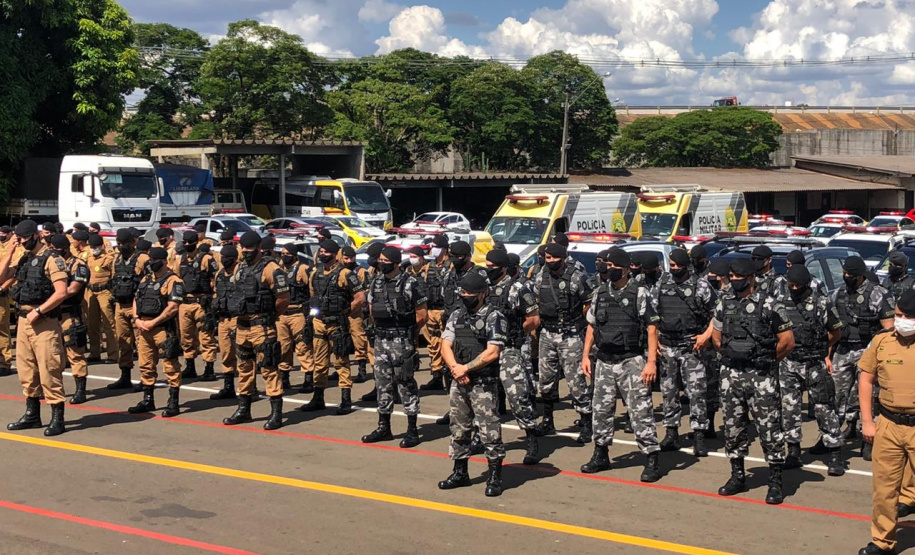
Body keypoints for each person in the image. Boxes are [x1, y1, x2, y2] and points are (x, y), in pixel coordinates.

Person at [712, 258, 794, 504]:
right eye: (732, 277)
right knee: (733, 427)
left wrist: (767, 360)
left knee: (769, 429)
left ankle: (775, 481)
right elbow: (716, 335)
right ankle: (737, 475)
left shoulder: (770, 305)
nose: (734, 281)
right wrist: (728, 355)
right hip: (732, 375)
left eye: (738, 278)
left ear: (750, 279)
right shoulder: (724, 303)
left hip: (761, 376)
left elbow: (787, 341)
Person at [580, 247, 662, 482]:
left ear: (626, 270)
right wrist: (586, 356)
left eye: (613, 267)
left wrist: (651, 362)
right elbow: (591, 326)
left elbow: (652, 328)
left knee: (640, 411)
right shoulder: (600, 293)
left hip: (631, 361)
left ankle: (651, 457)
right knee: (602, 411)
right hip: (604, 361)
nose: (608, 270)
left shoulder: (640, 293)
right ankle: (601, 453)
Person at [438, 272, 508, 497]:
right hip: (459, 381)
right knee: (459, 428)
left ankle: (495, 476)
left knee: (489, 430)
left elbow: (492, 352)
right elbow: (445, 344)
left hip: (483, 383)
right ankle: (460, 472)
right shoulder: (457, 315)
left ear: (482, 293)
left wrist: (465, 368)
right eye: (463, 293)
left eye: (470, 294)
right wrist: (455, 369)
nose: (466, 297)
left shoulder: (494, 316)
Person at [858, 290, 915, 555]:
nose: (900, 321)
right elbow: (866, 379)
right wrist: (867, 422)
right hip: (889, 424)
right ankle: (882, 541)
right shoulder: (882, 341)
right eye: (898, 315)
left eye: (906, 316)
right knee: (884, 489)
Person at [0, 220, 70, 435]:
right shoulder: (23, 257)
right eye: (18, 239)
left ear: (35, 236)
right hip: (23, 320)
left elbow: (61, 292)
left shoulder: (52, 259)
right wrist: (11, 249)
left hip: (44, 322)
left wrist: (38, 312)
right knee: (26, 370)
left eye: (23, 239)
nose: (20, 242)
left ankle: (57, 417)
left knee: (49, 369)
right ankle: (32, 415)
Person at [780, 264, 846, 475]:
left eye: (797, 285)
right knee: (789, 408)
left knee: (823, 407)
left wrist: (822, 349)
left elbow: (836, 332)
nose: (794, 288)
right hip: (789, 363)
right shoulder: (781, 303)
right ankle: (793, 451)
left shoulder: (821, 303)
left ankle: (834, 453)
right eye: (791, 285)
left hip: (813, 363)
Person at [222, 231, 290, 429]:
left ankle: (276, 412)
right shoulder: (241, 268)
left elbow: (283, 298)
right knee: (244, 368)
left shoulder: (271, 269)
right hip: (242, 325)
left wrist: (271, 315)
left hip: (262, 326)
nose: (245, 252)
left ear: (259, 248)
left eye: (249, 248)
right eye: (243, 248)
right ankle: (244, 409)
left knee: (268, 367)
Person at [362, 246, 427, 447]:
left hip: (402, 341)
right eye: (380, 259)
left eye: (385, 260)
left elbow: (421, 315)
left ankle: (412, 430)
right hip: (381, 340)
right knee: (382, 384)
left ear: (396, 262)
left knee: (405, 384)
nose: (381, 263)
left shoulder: (411, 283)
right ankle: (384, 427)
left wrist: (409, 335)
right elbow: (372, 309)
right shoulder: (376, 282)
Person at [654, 248, 716, 457]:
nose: (675, 270)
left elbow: (717, 314)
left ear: (686, 265)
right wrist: (653, 343)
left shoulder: (701, 285)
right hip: (667, 346)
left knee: (697, 393)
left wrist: (705, 336)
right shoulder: (662, 284)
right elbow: (650, 315)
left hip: (691, 347)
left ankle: (699, 435)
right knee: (669, 392)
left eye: (678, 266)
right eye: (672, 266)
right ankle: (671, 432)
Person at [832, 256, 895, 459]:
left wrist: (879, 354)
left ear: (860, 275)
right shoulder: (839, 293)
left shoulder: (878, 294)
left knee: (869, 398)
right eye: (845, 274)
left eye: (851, 275)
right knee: (836, 396)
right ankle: (832, 438)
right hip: (842, 352)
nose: (847, 277)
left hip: (868, 352)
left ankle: (868, 441)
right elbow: (830, 326)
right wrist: (827, 354)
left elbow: (889, 329)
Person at [485, 249, 541, 465]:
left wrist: (515, 334)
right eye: (487, 266)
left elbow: (533, 319)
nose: (489, 270)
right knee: (485, 397)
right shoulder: (484, 288)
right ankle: (484, 438)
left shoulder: (518, 289)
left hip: (509, 349)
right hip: (487, 349)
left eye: (492, 267)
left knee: (517, 395)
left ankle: (531, 438)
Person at [535, 242, 594, 443]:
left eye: (554, 258)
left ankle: (587, 422)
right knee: (545, 380)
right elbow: (537, 300)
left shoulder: (577, 277)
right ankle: (548, 419)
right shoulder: (540, 276)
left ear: (563, 258)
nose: (549, 261)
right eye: (547, 258)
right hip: (547, 334)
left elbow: (589, 304)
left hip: (570, 336)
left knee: (575, 381)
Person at [302, 239, 365, 415]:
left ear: (335, 254)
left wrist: (345, 312)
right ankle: (318, 397)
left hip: (337, 324)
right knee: (319, 362)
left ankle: (346, 399)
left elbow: (360, 298)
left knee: (341, 361)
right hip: (319, 322)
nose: (323, 254)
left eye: (326, 252)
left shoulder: (346, 274)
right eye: (321, 251)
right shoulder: (316, 273)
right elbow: (313, 295)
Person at [435, 240, 488, 426]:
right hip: (453, 324)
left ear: (467, 256)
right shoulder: (449, 273)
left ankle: (479, 412)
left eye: (458, 257)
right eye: (452, 256)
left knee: (476, 370)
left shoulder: (479, 274)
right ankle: (455, 408)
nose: (454, 260)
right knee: (451, 368)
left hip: (474, 326)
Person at [128, 248, 185, 417]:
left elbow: (173, 306)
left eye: (155, 260)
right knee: (145, 365)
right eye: (150, 259)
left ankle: (173, 402)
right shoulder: (146, 279)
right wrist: (137, 319)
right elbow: (136, 299)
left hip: (163, 329)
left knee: (170, 365)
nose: (152, 262)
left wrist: (153, 322)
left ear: (164, 260)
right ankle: (148, 400)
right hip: (144, 327)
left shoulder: (173, 280)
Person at [50, 235, 91, 404]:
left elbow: (73, 289)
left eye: (56, 249)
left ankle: (81, 389)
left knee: (75, 352)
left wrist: (55, 295)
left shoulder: (78, 265)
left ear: (66, 248)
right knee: (53, 353)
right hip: (53, 313)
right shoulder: (53, 264)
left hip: (70, 314)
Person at [108, 228, 148, 390]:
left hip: (136, 306)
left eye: (125, 243)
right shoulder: (116, 260)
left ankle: (146, 377)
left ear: (134, 242)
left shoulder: (143, 259)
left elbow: (149, 282)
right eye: (119, 243)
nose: (122, 246)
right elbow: (113, 280)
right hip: (120, 305)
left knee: (141, 342)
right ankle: (125, 375)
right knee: (123, 341)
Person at [177, 230, 219, 381]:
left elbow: (217, 277)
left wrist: (213, 297)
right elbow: (176, 278)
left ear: (196, 243)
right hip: (185, 303)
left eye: (190, 243)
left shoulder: (206, 258)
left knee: (206, 336)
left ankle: (209, 368)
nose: (187, 245)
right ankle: (190, 366)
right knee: (186, 337)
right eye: (185, 243)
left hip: (202, 303)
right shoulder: (180, 260)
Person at [277, 244, 314, 392]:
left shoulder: (303, 269)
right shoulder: (278, 269)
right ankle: (284, 378)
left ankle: (308, 379)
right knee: (283, 347)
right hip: (282, 314)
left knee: (302, 346)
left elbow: (311, 289)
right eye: (283, 253)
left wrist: (310, 311)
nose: (284, 256)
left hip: (298, 312)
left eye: (287, 253)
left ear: (294, 255)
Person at [702, 258, 731, 436]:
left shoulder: (731, 294)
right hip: (711, 348)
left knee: (728, 390)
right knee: (710, 387)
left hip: (726, 346)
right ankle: (709, 425)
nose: (708, 277)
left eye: (712, 274)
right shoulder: (712, 291)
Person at [417, 235, 450, 391]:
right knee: (433, 344)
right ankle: (436, 376)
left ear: (444, 248)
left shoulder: (451, 266)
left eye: (435, 246)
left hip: (446, 310)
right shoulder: (429, 266)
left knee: (448, 344)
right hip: (431, 310)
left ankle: (449, 377)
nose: (432, 248)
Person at [210, 245, 240, 401]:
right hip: (223, 319)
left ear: (235, 259)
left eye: (227, 257)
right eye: (222, 256)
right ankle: (228, 387)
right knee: (226, 354)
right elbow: (216, 293)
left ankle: (250, 388)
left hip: (238, 319)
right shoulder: (219, 275)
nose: (224, 259)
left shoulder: (241, 274)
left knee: (243, 355)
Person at [341, 245, 374, 384]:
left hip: (355, 311)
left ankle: (362, 370)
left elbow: (366, 292)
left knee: (359, 340)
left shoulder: (360, 271)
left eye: (351, 257)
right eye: (346, 258)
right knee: (340, 342)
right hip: (340, 312)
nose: (349, 260)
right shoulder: (339, 271)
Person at [84, 233, 117, 363]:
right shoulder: (88, 257)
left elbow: (114, 276)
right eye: (91, 246)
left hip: (104, 291)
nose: (93, 248)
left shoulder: (109, 258)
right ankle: (94, 353)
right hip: (90, 291)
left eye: (96, 246)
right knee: (92, 324)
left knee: (109, 324)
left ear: (101, 246)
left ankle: (113, 354)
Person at [0, 226, 17, 375]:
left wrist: (3, 287)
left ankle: (5, 363)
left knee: (2, 330)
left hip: (1, 295)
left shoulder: (8, 250)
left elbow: (13, 272)